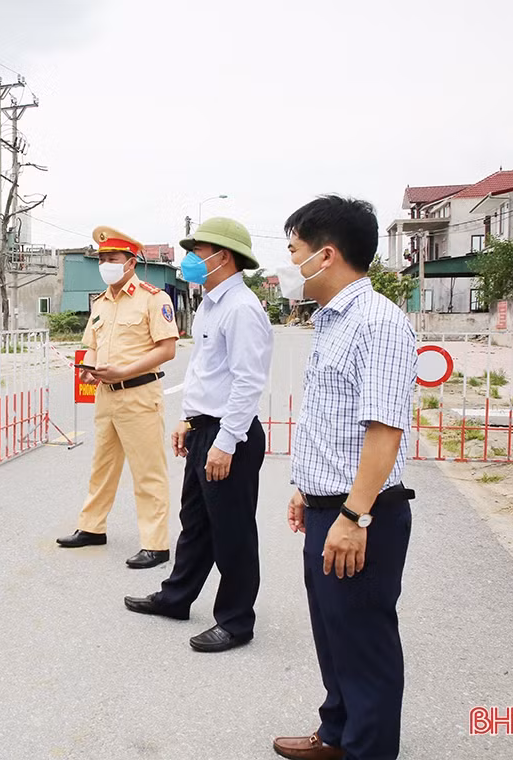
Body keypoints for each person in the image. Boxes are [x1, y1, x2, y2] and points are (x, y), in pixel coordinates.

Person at [271, 196, 417, 760]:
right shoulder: (333, 320)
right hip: (330, 507)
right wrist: (309, 491)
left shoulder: (376, 322)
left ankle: (367, 750)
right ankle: (337, 734)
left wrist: (354, 516)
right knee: (335, 637)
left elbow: (384, 430)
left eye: (293, 251)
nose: (287, 264)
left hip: (364, 514)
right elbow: (334, 422)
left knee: (364, 646)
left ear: (325, 254)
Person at [124, 217, 273, 651]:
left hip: (232, 435)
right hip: (206, 429)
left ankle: (236, 620)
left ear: (222, 256)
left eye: (197, 251)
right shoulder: (211, 303)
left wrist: (226, 442)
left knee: (232, 531)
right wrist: (189, 420)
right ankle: (176, 597)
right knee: (196, 523)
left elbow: (247, 382)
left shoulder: (242, 308)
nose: (189, 259)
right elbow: (207, 375)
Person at [57, 226, 179, 569]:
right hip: (107, 395)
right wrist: (89, 369)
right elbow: (92, 346)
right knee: (102, 466)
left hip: (139, 394)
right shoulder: (100, 302)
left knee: (148, 472)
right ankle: (92, 527)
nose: (105, 264)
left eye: (112, 258)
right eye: (102, 259)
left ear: (130, 263)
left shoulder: (154, 298)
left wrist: (123, 372)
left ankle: (156, 544)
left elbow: (167, 348)